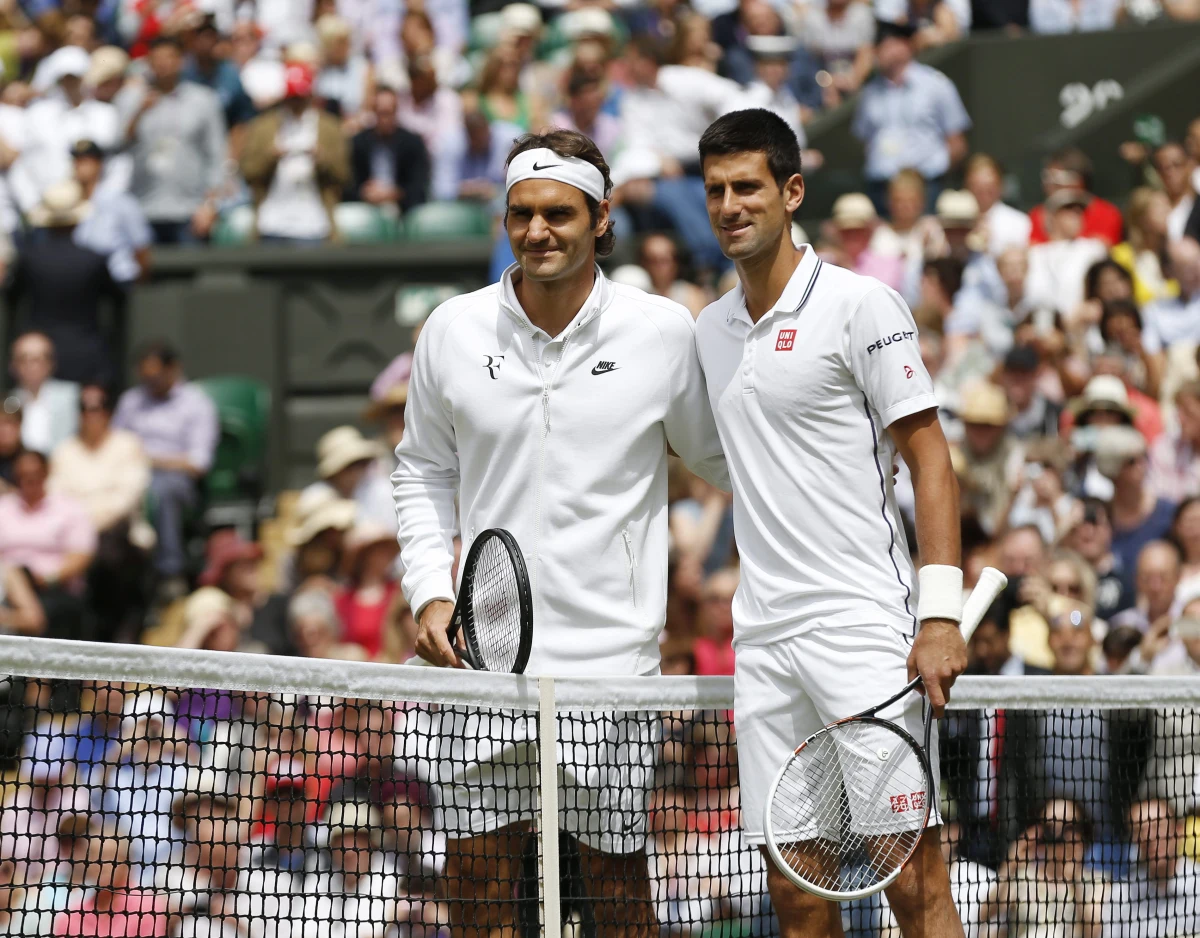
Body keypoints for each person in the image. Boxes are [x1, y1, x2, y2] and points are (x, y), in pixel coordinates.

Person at [394, 127, 727, 937]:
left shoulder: (662, 332)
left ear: (601, 219)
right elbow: (420, 472)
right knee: (479, 894)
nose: (537, 231)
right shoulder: (452, 329)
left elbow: (724, 461)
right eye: (520, 214)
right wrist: (431, 591)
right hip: (482, 660)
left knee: (618, 898)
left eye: (558, 213)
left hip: (610, 663)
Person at [694, 108, 965, 938]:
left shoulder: (861, 304)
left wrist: (942, 614)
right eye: (716, 191)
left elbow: (930, 457)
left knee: (912, 880)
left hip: (862, 628)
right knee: (796, 892)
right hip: (764, 642)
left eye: (749, 187)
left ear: (792, 191)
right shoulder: (708, 329)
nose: (731, 205)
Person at [112, 340, 219, 594]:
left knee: (160, 489)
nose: (151, 383)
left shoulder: (196, 404)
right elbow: (113, 444)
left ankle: (170, 572)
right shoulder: (131, 401)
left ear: (173, 369)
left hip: (178, 482)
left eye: (156, 376)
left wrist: (149, 459)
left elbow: (198, 463)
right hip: (128, 474)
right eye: (145, 377)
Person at [49, 383, 151, 643]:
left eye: (99, 407)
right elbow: (58, 498)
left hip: (120, 536)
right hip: (75, 540)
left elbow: (126, 498)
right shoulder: (64, 451)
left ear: (109, 411)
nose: (92, 414)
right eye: (85, 408)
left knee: (109, 554)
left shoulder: (129, 445)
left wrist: (87, 523)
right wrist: (83, 528)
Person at [5, 183, 123, 386]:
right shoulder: (93, 260)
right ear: (76, 221)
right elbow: (118, 298)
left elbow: (11, 297)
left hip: (39, 360)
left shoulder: (29, 259)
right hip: (85, 359)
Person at [115, 35, 227, 244]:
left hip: (189, 209)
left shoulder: (203, 100)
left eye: (169, 57)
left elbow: (216, 154)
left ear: (181, 61)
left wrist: (210, 205)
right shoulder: (130, 98)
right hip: (143, 207)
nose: (163, 64)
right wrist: (138, 113)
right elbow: (117, 146)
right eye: (157, 58)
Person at [852, 20, 970, 215]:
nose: (880, 52)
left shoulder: (936, 85)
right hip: (881, 188)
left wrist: (933, 174)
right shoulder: (869, 92)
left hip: (927, 186)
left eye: (887, 45)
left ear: (905, 46)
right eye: (878, 46)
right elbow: (863, 139)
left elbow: (957, 142)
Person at [240, 63, 350, 244]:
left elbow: (344, 175)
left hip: (314, 223)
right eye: (292, 98)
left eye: (300, 98)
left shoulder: (329, 127)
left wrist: (321, 159)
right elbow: (248, 172)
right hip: (272, 221)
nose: (296, 104)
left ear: (310, 96)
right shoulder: (263, 127)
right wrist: (270, 157)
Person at [0, 451, 96, 641]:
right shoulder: (4, 507)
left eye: (34, 475)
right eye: (22, 476)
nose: (28, 481)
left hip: (54, 586)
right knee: (11, 572)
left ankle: (24, 617)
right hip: (6, 582)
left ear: (45, 474)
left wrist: (48, 578)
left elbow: (81, 555)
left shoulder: (68, 508)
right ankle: (26, 617)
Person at [1108, 799, 1200, 936]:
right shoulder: (1122, 895)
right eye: (1139, 830)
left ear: (1179, 830)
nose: (1149, 836)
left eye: (1157, 826)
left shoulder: (1198, 886)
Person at [70, 139, 153, 284]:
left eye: (86, 161)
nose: (80, 166)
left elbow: (141, 249)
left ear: (99, 164)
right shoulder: (67, 203)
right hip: (82, 283)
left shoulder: (121, 201)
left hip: (118, 279)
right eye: (77, 161)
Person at [1025, 188, 1109, 317]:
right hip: (1044, 329)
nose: (1077, 215)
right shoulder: (1034, 254)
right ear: (1051, 217)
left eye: (1080, 211)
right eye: (1068, 210)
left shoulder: (1094, 249)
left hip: (1084, 329)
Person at [349, 86, 429, 214]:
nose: (385, 119)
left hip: (403, 212)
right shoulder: (358, 143)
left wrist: (394, 193)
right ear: (374, 113)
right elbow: (347, 186)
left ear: (396, 112)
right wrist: (364, 192)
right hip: (366, 210)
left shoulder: (413, 143)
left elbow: (419, 188)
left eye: (389, 113)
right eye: (381, 113)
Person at [1029, 148, 1124, 247]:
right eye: (1046, 177)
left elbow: (1101, 250)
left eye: (1057, 178)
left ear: (1078, 181)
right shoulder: (1037, 216)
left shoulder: (1106, 214)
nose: (1049, 185)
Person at [7, 333, 78, 457]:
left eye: (37, 359)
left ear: (51, 363)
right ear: (13, 365)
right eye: (24, 359)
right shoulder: (8, 402)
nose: (31, 366)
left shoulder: (73, 397)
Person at [1141, 237, 1200, 356]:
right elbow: (1151, 351)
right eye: (1186, 267)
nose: (1196, 271)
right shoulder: (1154, 310)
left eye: (1197, 262)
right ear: (1168, 271)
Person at [964, 153, 1030, 257]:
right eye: (978, 186)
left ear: (1000, 185)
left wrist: (990, 246)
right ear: (968, 185)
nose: (983, 192)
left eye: (989, 186)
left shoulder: (1019, 222)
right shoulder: (954, 221)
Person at [1149, 379, 1200, 503]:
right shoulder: (1164, 446)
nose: (1180, 419)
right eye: (1179, 411)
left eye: (1188, 412)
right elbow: (1156, 495)